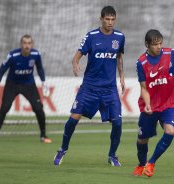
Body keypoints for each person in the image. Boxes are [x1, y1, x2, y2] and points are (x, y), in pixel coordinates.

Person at [53, 6, 125, 166]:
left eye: (113, 19)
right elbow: (77, 56)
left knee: (118, 123)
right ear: (101, 19)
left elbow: (119, 57)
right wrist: (75, 64)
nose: (110, 22)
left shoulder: (120, 37)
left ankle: (112, 155)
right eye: (107, 19)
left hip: (109, 89)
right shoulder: (91, 36)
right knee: (73, 119)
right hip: (90, 88)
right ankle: (62, 149)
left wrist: (122, 76)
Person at [132, 29, 174, 177]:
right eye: (155, 44)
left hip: (169, 104)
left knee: (170, 131)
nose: (159, 47)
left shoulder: (172, 54)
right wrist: (148, 103)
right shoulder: (141, 62)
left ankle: (151, 163)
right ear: (147, 45)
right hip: (150, 106)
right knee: (142, 139)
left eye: (160, 43)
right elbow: (143, 88)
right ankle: (141, 164)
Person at [0, 34, 52, 143]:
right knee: (4, 108)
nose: (27, 45)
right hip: (12, 84)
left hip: (29, 84)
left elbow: (40, 69)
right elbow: (1, 71)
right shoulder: (13, 56)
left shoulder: (36, 54)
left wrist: (44, 83)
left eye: (29, 43)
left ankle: (43, 136)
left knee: (38, 109)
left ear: (32, 44)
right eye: (24, 43)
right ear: (21, 44)